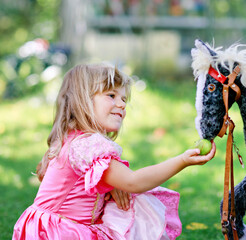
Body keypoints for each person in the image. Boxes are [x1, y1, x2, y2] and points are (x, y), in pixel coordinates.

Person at [13, 63, 216, 240]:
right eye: (111, 95)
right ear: (83, 100)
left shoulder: (73, 138)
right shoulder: (87, 145)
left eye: (124, 99)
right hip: (59, 232)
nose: (121, 104)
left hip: (50, 227)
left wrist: (109, 186)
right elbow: (134, 182)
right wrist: (182, 160)